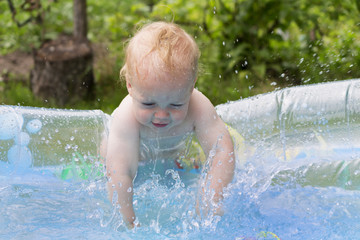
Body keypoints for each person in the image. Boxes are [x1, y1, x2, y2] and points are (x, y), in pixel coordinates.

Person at [105, 21, 235, 228]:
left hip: (174, 156)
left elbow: (222, 149)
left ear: (191, 88)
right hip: (136, 158)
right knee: (109, 159)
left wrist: (210, 197)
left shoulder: (198, 106)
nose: (162, 115)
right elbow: (120, 174)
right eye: (149, 103)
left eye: (176, 104)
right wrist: (130, 223)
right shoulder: (126, 117)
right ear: (130, 85)